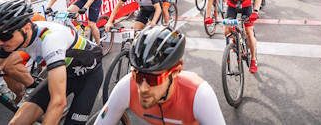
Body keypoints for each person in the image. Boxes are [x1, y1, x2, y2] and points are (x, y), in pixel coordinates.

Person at [0, 0, 103, 125]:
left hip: (89, 76)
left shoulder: (50, 40)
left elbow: (58, 102)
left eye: (4, 36)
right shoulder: (12, 39)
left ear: (26, 27)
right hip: (66, 72)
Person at [94, 25, 225, 124]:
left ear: (176, 71)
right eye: (137, 76)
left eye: (152, 79)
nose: (142, 88)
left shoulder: (200, 96)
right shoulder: (127, 87)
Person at [205, 0, 262, 73]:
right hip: (232, 6)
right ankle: (237, 43)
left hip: (246, 6)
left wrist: (255, 11)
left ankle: (254, 60)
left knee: (249, 31)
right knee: (226, 31)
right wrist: (208, 16)